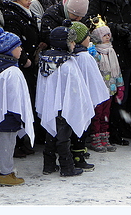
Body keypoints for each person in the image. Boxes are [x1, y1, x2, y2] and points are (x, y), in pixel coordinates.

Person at [85, 0, 131, 145]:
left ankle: (121, 129)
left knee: (124, 93)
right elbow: (92, 21)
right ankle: (109, 131)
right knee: (109, 95)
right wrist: (115, 28)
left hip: (126, 51)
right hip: (107, 54)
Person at [36, 22, 94, 177]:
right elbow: (74, 88)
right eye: (71, 41)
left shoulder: (46, 60)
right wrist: (76, 105)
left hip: (50, 105)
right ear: (64, 43)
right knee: (63, 138)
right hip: (64, 106)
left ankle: (48, 164)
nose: (74, 44)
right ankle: (67, 166)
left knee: (50, 133)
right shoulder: (67, 63)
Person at [0, 28, 35, 186]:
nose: (21, 49)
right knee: (7, 147)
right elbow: (16, 98)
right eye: (18, 47)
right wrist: (19, 116)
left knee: (1, 145)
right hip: (9, 116)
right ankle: (6, 174)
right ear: (9, 50)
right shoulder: (12, 71)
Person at [69, 21, 109, 167]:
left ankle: (77, 151)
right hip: (83, 99)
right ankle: (78, 155)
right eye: (87, 36)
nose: (89, 40)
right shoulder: (84, 57)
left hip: (76, 98)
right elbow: (93, 79)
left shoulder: (73, 55)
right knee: (82, 127)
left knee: (75, 127)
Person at [89, 16, 125, 152]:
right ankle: (95, 137)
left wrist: (120, 85)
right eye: (104, 35)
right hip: (99, 90)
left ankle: (105, 137)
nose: (108, 37)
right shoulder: (96, 53)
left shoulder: (111, 52)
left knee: (106, 114)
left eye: (109, 34)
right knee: (97, 115)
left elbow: (117, 71)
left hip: (110, 89)